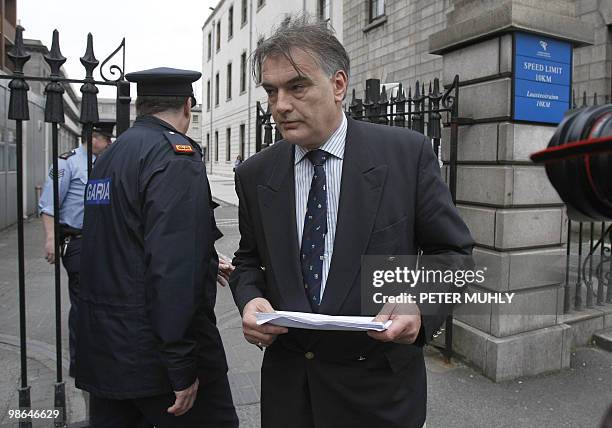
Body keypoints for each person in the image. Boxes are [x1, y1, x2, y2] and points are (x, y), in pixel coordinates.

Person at [229, 16, 474, 428]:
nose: (280, 105)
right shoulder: (255, 174)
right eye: (271, 91)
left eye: (297, 86)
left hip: (379, 395)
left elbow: (453, 254)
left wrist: (418, 304)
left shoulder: (405, 155)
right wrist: (249, 298)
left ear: (338, 85)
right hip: (291, 396)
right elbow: (249, 260)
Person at [76, 67, 238, 428]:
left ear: (139, 107)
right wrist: (181, 365)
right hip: (154, 356)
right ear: (187, 106)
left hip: (106, 348)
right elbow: (172, 268)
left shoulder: (111, 156)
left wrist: (206, 260)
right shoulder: (173, 156)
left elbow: (123, 243)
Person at [38, 120, 115, 378]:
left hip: (102, 241)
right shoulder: (66, 163)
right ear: (93, 137)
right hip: (77, 241)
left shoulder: (104, 161)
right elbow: (49, 205)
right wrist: (50, 238)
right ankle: (80, 363)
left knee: (102, 299)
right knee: (83, 302)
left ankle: (99, 355)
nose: (109, 143)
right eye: (106, 138)